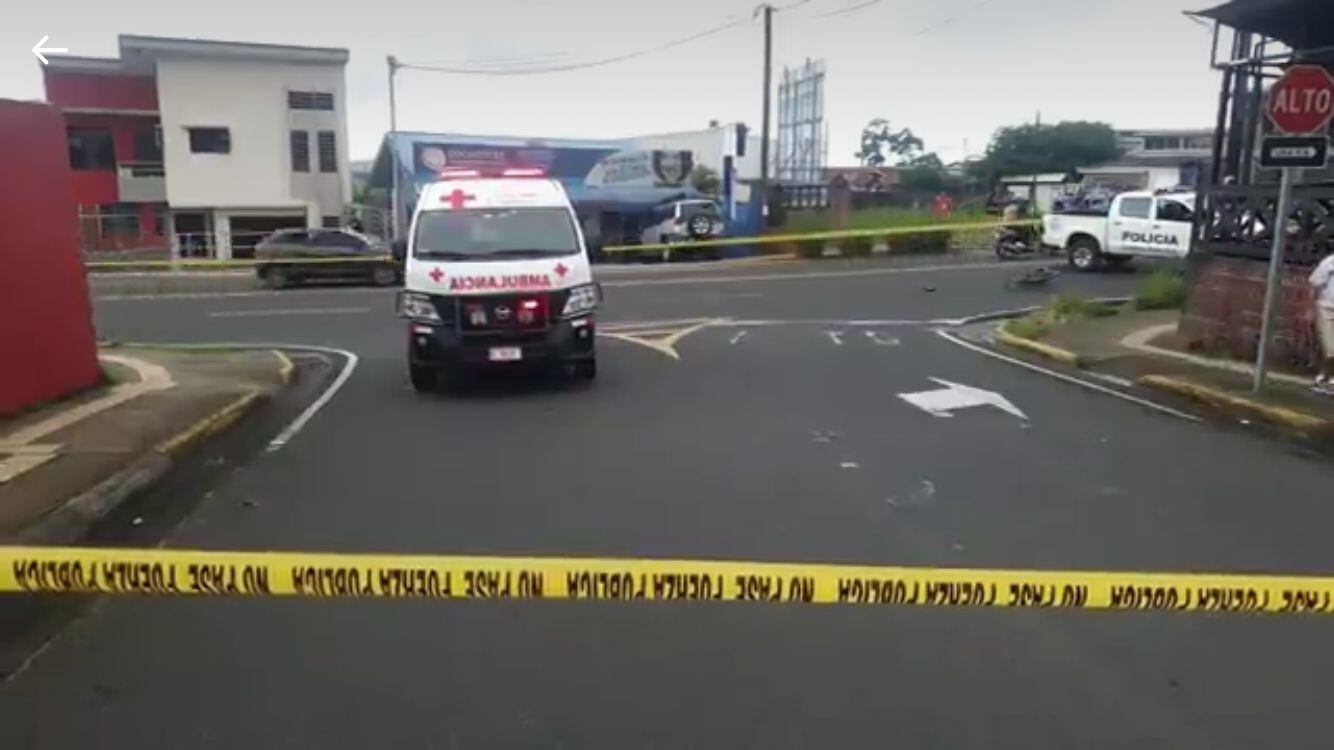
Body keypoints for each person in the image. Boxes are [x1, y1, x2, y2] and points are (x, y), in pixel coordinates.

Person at [1311, 251, 1334, 393]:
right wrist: (1310, 308)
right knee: (1331, 347)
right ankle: (1324, 378)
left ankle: (1326, 378)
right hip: (1327, 308)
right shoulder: (1330, 261)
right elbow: (1315, 284)